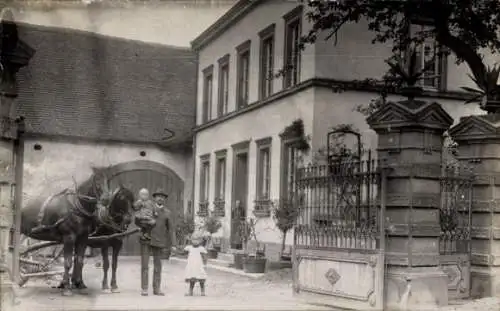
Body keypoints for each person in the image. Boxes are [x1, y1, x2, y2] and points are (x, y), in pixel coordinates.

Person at [137, 188, 175, 296]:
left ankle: (156, 288)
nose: (160, 198)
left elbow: (171, 229)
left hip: (159, 241)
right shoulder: (147, 209)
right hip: (146, 240)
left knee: (158, 266)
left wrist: (174, 244)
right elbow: (138, 221)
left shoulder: (167, 213)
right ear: (154, 198)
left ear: (164, 199)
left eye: (162, 197)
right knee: (145, 265)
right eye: (158, 196)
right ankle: (144, 288)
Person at [184, 232, 208, 296]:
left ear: (200, 241)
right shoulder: (189, 247)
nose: (195, 241)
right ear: (191, 240)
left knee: (201, 279)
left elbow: (204, 257)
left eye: (197, 240)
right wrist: (186, 241)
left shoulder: (201, 249)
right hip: (192, 266)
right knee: (192, 279)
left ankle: (202, 291)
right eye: (193, 239)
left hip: (199, 266)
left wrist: (205, 264)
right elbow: (184, 252)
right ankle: (190, 291)